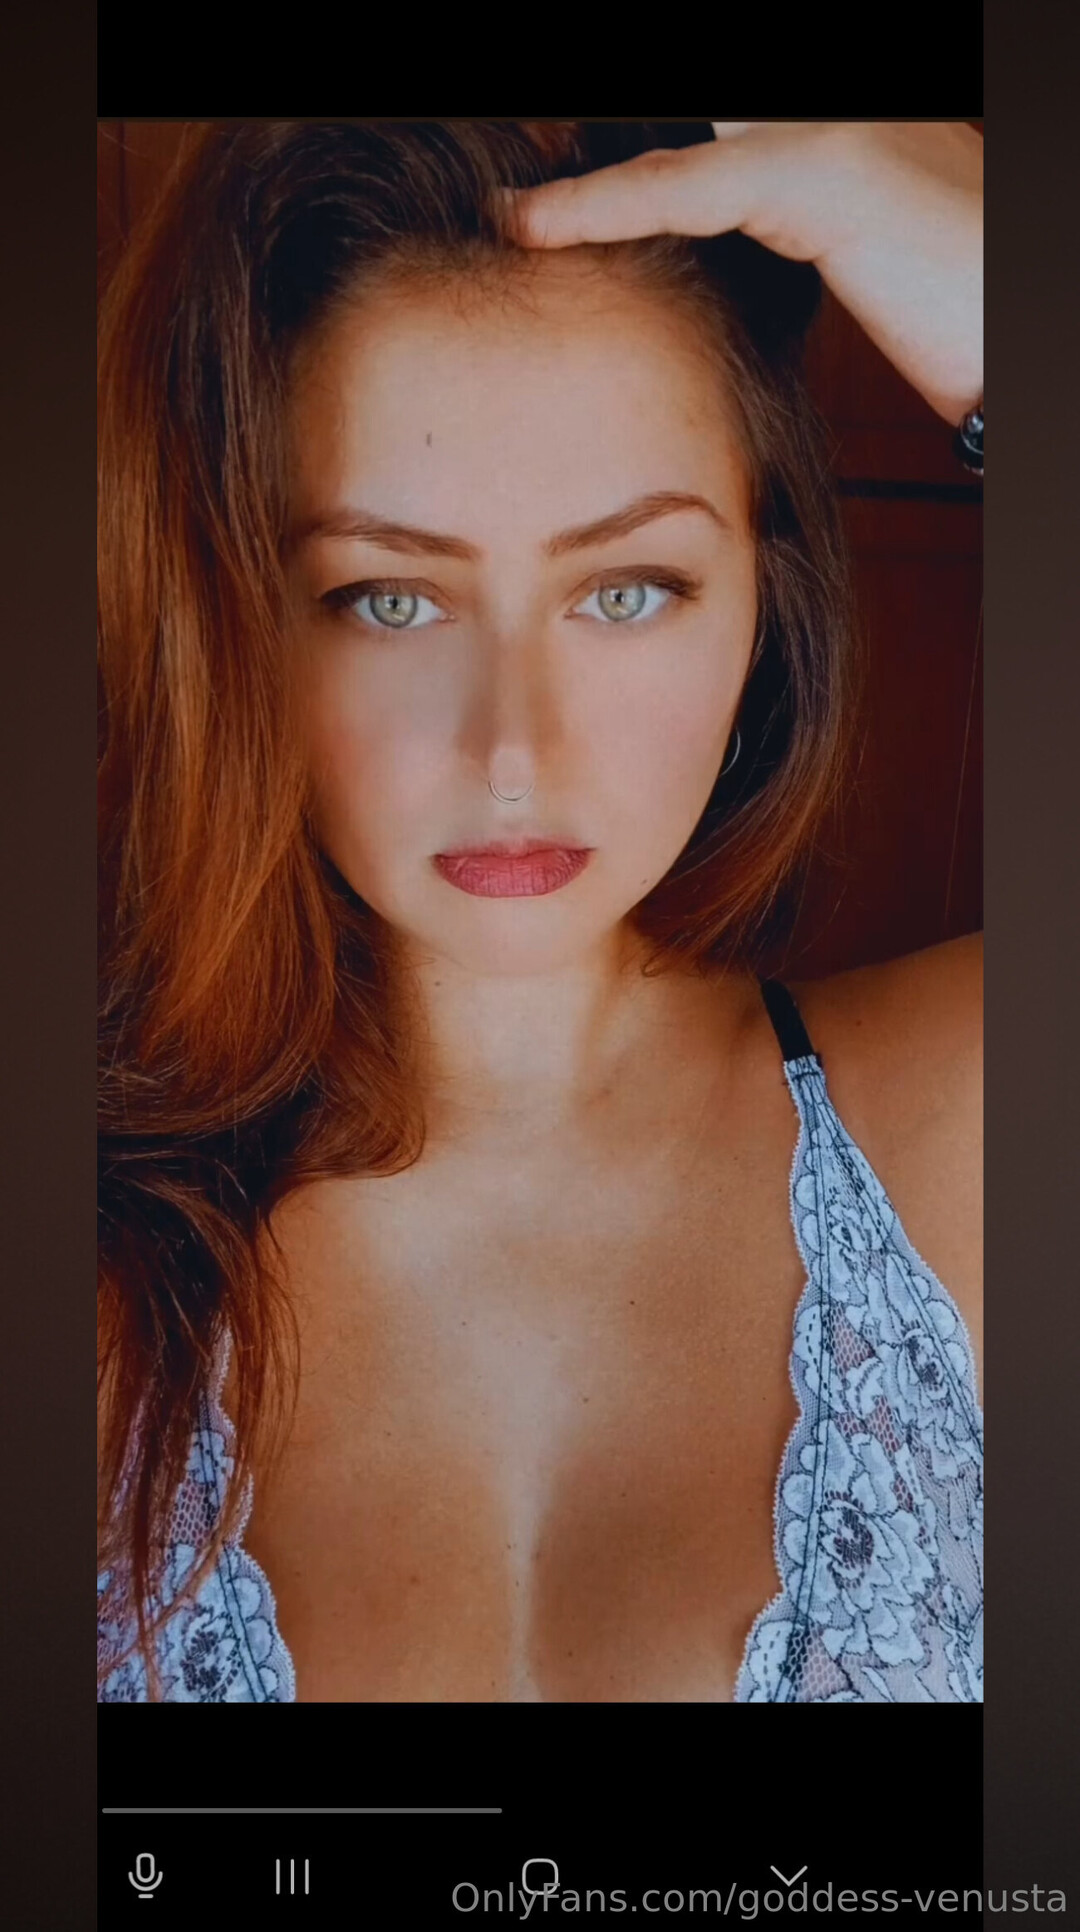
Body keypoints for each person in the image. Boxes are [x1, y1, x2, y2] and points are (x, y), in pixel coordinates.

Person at [97, 119, 983, 1705]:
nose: (516, 751)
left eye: (626, 589)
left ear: (764, 599)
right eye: (388, 597)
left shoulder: (980, 1126)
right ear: (233, 616)